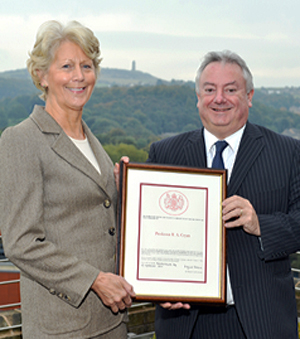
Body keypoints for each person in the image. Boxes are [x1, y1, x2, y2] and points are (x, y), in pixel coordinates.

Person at [147, 50, 300, 338]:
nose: (219, 98)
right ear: (198, 97)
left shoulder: (288, 152)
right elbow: (150, 233)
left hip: (260, 323)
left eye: (231, 90)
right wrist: (157, 287)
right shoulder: (164, 153)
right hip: (184, 322)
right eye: (209, 90)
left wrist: (260, 224)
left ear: (249, 96)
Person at [0, 20, 135, 339]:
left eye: (86, 65)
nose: (79, 76)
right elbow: (21, 242)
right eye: (66, 66)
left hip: (112, 323)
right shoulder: (22, 140)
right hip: (62, 328)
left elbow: (93, 216)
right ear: (42, 75)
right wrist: (94, 280)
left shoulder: (91, 140)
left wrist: (125, 193)